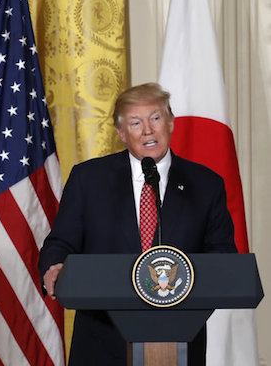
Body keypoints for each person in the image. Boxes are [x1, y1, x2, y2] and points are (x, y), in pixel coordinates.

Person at [37, 83, 237, 365]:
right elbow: (60, 242)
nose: (147, 130)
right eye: (135, 122)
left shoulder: (206, 184)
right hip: (100, 342)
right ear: (121, 133)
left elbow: (223, 255)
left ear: (170, 123)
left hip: (179, 341)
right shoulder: (88, 179)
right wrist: (54, 266)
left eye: (155, 118)